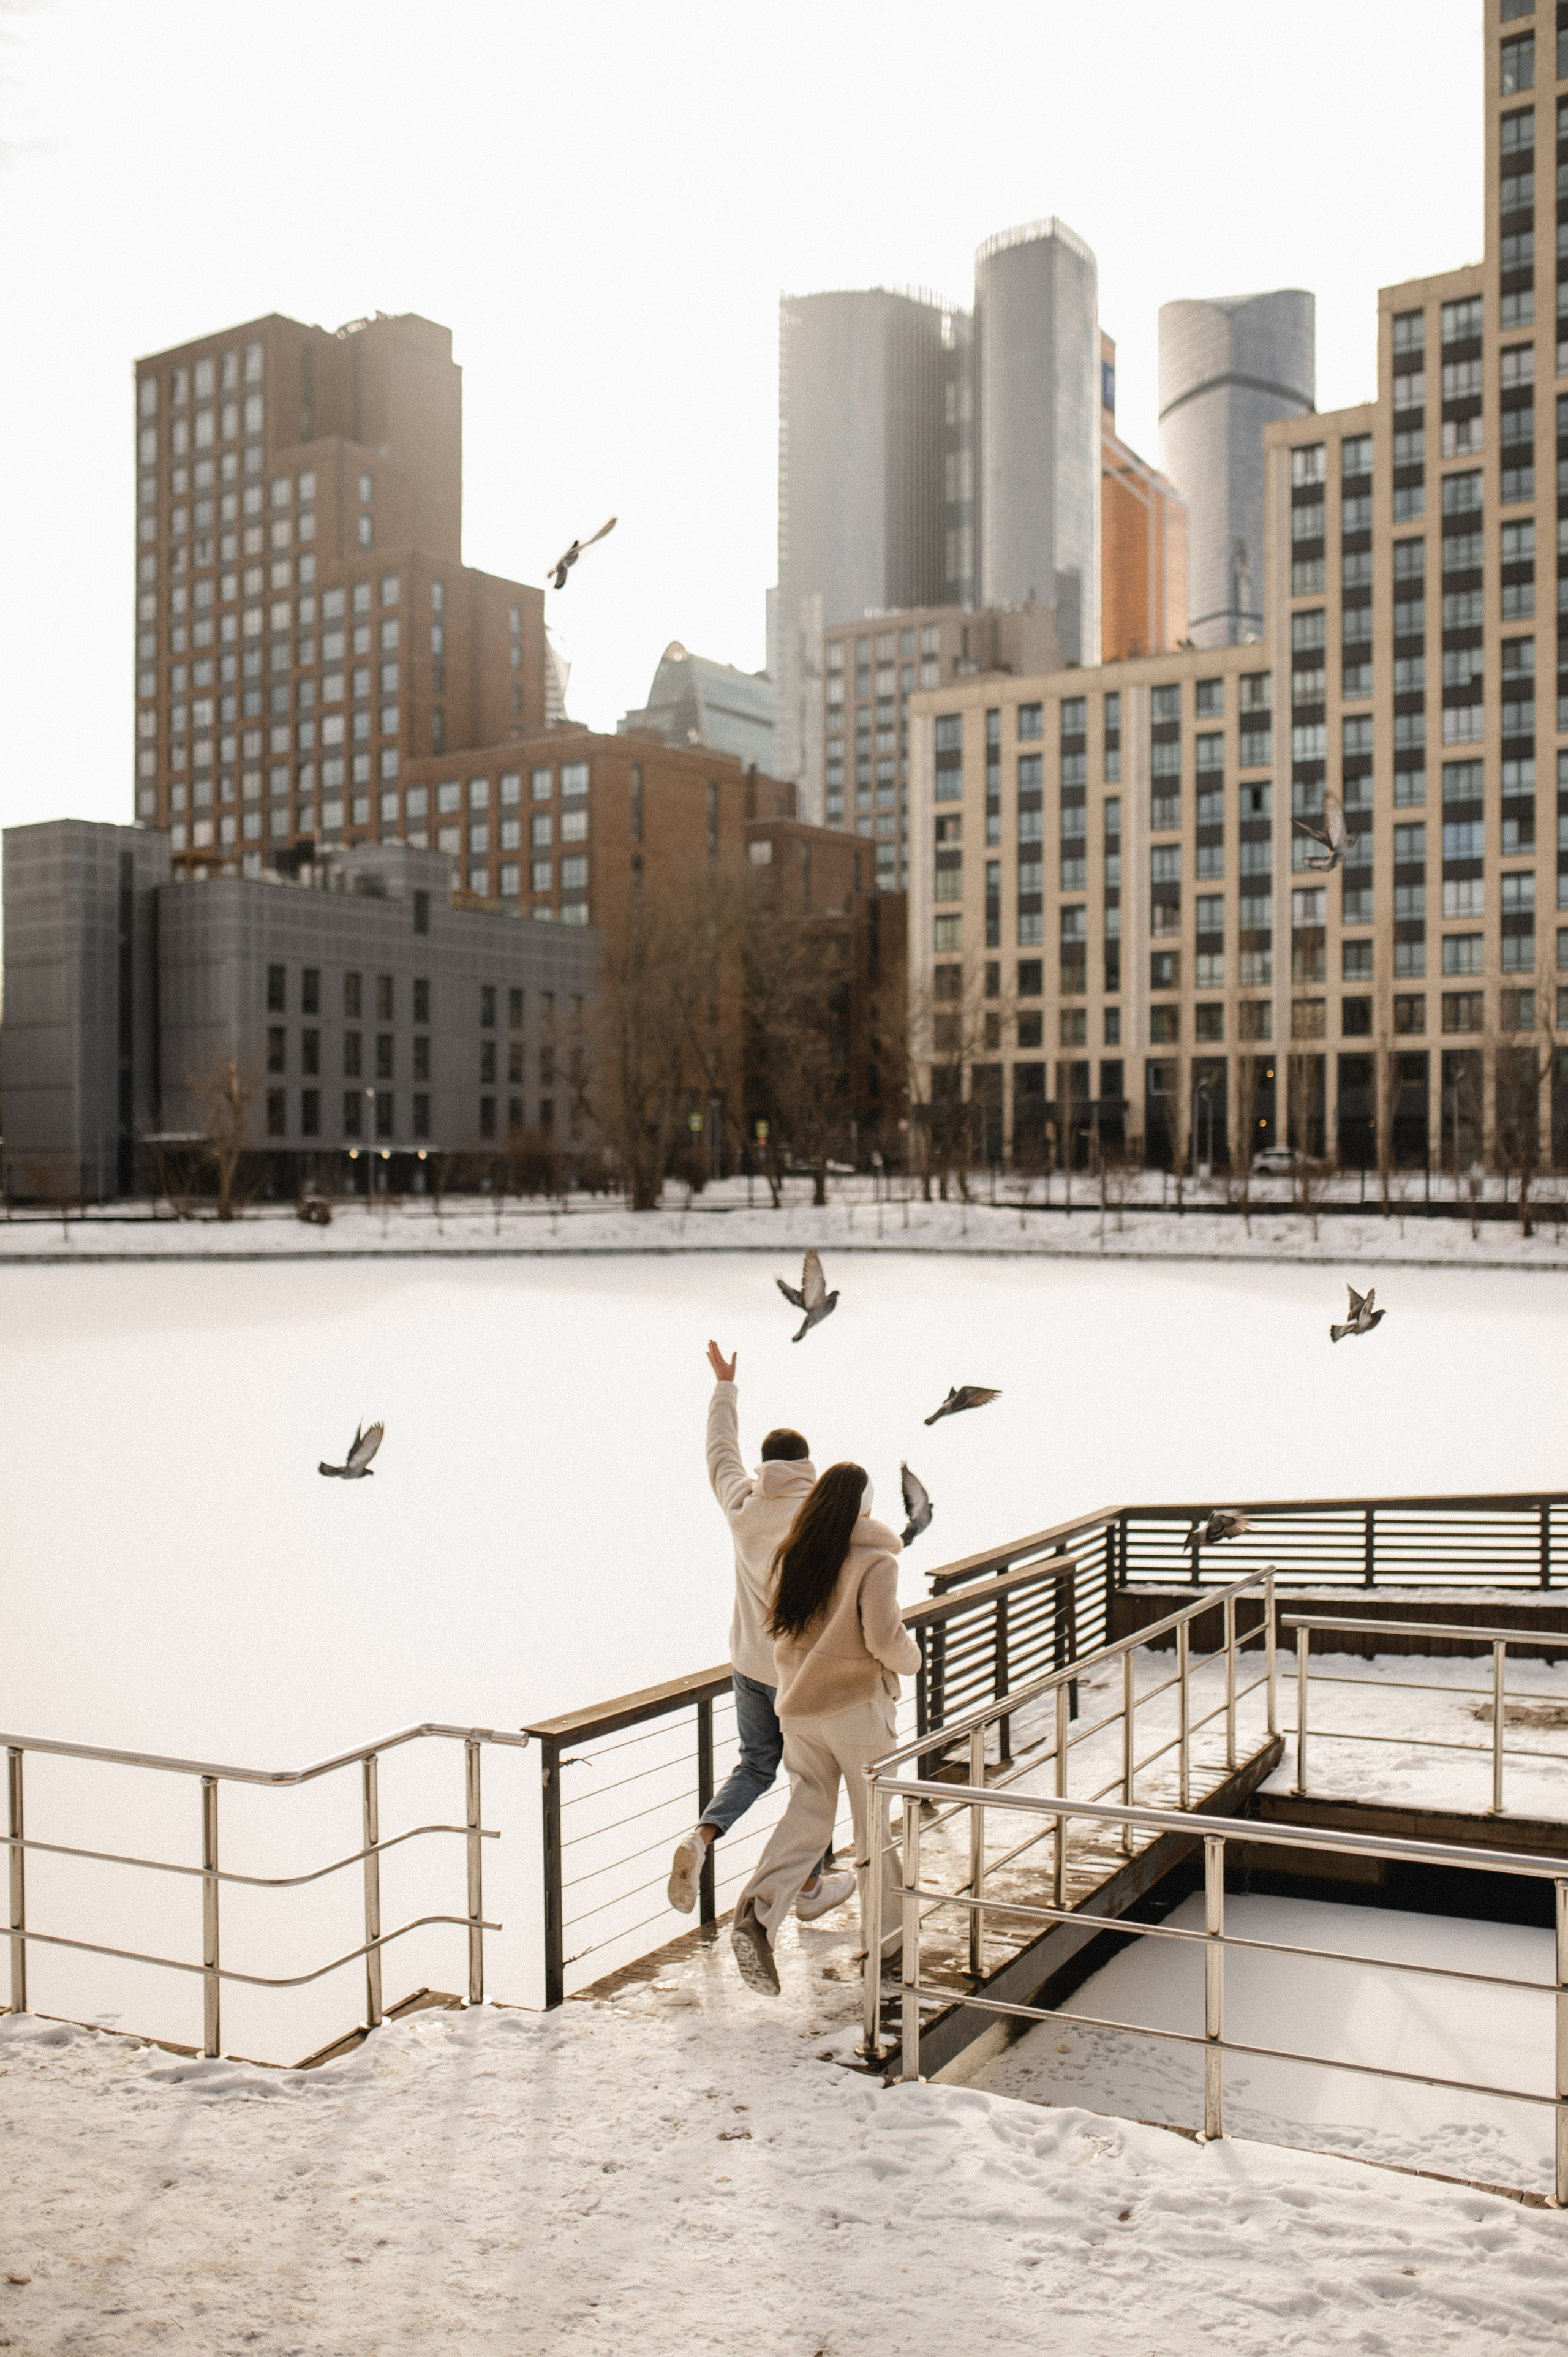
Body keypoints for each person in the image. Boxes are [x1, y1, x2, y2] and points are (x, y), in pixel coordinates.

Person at [666, 1342, 855, 1921]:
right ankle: (806, 1889)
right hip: (800, 1670)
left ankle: (702, 1835)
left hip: (748, 1667)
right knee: (813, 1778)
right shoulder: (822, 1513)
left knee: (754, 1766)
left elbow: (719, 1450)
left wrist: (725, 1387)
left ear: (764, 1466)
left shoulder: (742, 1503)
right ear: (808, 1465)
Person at [730, 1460, 920, 1996]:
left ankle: (759, 1913)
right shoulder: (876, 1562)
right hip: (857, 1712)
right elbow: (885, 1639)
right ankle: (889, 1941)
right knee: (872, 1827)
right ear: (863, 1508)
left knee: (809, 1812)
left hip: (798, 1711)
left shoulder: (795, 1553)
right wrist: (914, 1660)